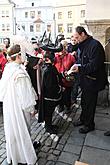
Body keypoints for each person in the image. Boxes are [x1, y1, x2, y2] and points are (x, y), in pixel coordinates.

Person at [0, 44, 38, 165]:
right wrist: (32, 109)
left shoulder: (8, 68)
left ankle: (15, 155)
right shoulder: (19, 74)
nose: (24, 56)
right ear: (17, 56)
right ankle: (24, 156)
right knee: (23, 129)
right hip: (18, 108)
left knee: (13, 131)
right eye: (22, 54)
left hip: (9, 106)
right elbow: (25, 95)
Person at [72, 26, 108, 134]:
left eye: (77, 37)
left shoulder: (95, 45)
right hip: (84, 80)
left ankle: (89, 125)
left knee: (90, 104)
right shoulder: (82, 45)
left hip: (92, 80)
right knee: (84, 102)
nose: (76, 40)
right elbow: (80, 59)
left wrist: (80, 68)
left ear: (83, 34)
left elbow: (95, 65)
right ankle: (83, 119)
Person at [38, 51, 62, 134]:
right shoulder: (48, 69)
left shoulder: (48, 67)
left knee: (50, 112)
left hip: (50, 95)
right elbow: (50, 86)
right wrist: (59, 89)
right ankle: (48, 127)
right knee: (48, 113)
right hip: (49, 96)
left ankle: (49, 125)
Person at [54, 40, 76, 113]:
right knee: (59, 94)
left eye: (64, 47)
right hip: (58, 80)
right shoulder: (56, 57)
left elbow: (75, 66)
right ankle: (60, 106)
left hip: (67, 80)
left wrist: (71, 72)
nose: (63, 49)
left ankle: (68, 106)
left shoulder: (70, 57)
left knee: (67, 95)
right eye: (62, 47)